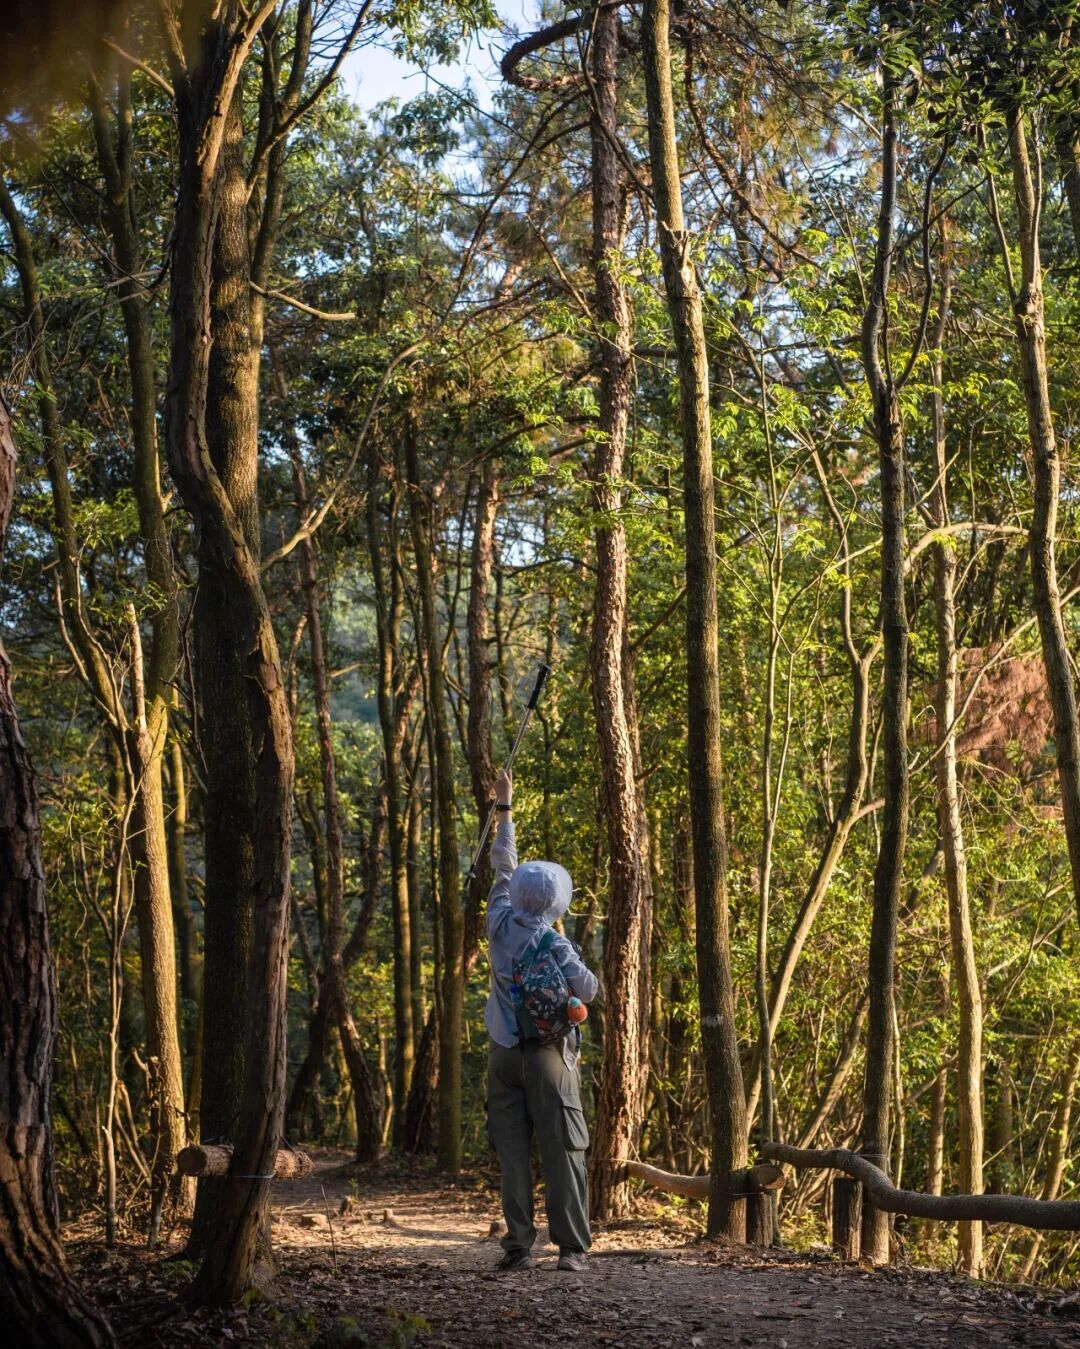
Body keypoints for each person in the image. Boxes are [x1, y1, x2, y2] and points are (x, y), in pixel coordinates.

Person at [485, 768, 598, 1273]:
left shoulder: (497, 922)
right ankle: (571, 1249)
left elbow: (503, 865)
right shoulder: (555, 941)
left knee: (513, 1154)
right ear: (555, 904)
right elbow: (588, 990)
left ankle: (518, 1248)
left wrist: (504, 806)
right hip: (551, 1057)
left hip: (504, 1055)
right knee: (564, 1149)